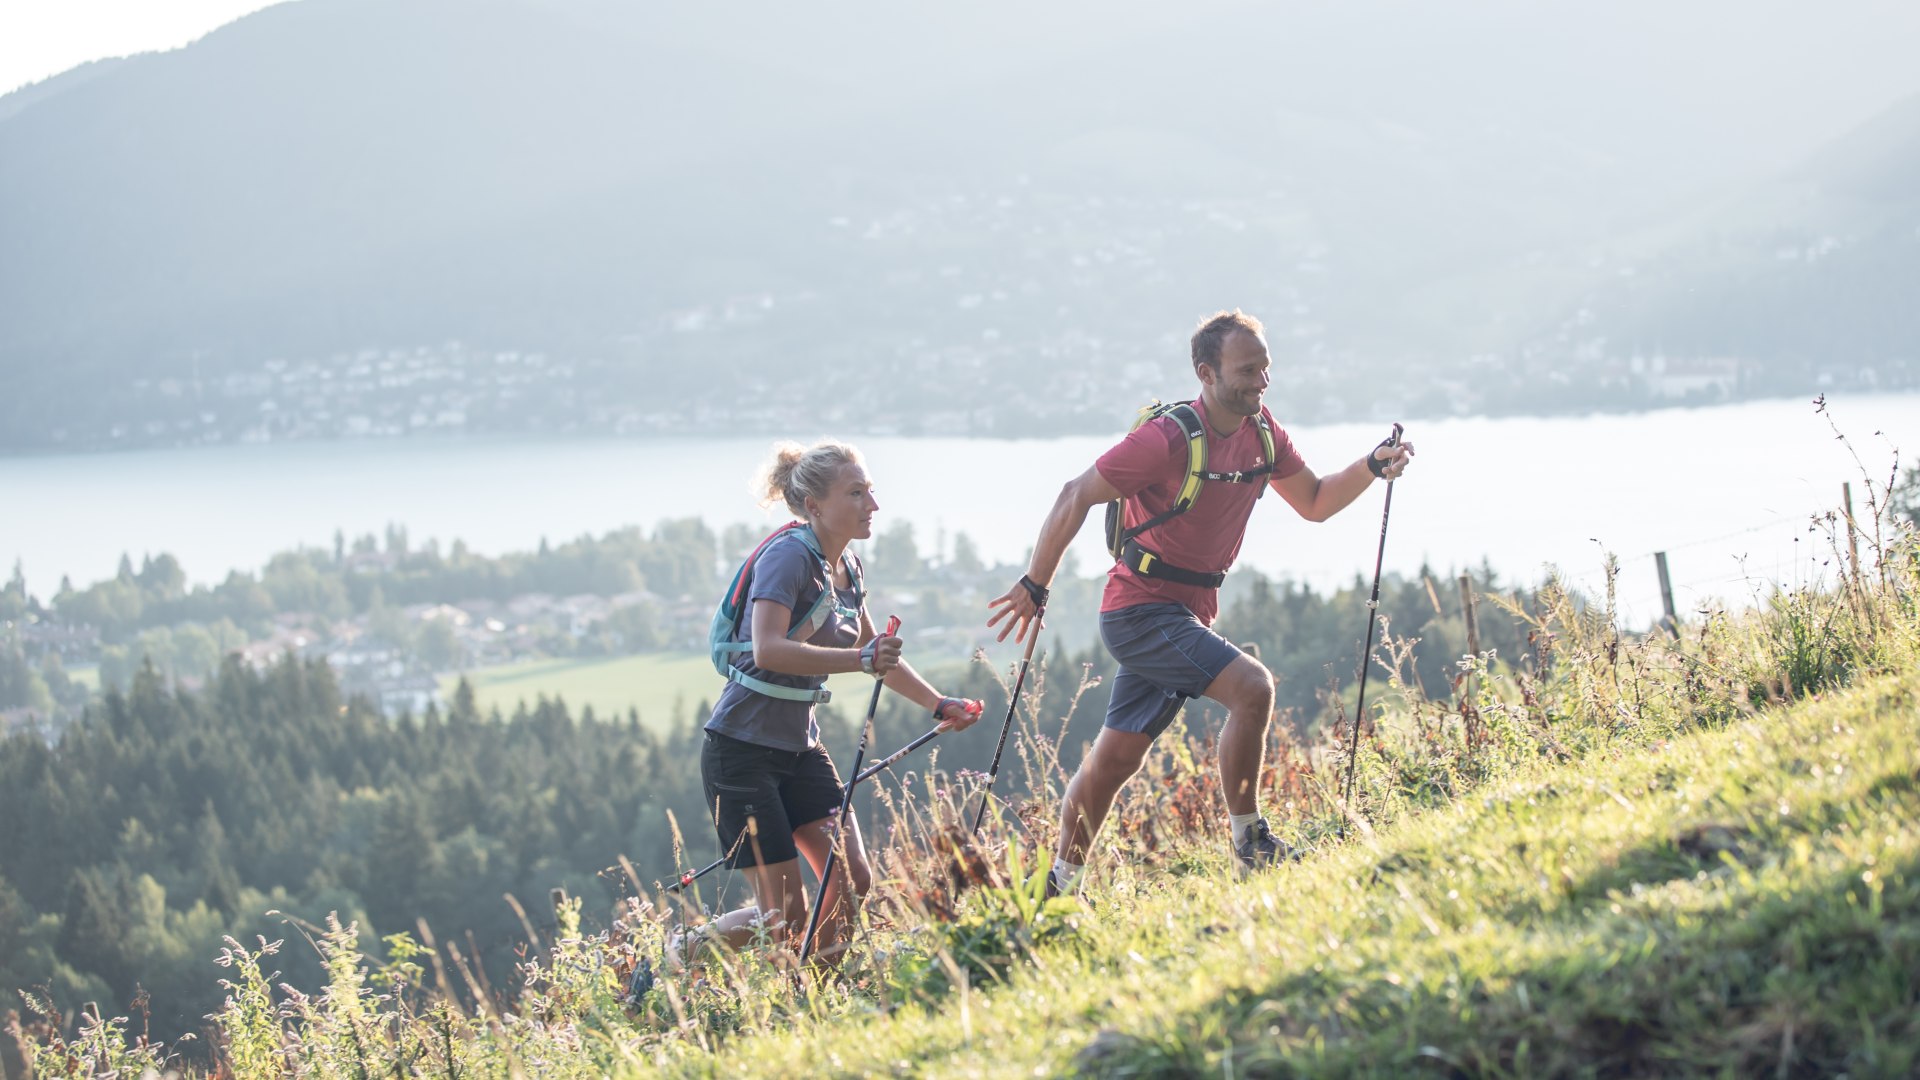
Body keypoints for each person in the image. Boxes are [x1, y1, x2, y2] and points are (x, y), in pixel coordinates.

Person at [987, 310, 1414, 896]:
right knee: (1253, 688)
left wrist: (1371, 467)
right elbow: (1074, 494)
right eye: (1248, 371)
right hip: (1138, 611)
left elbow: (1314, 501)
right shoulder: (1165, 439)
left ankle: (1060, 884)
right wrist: (1035, 584)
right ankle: (1250, 843)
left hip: (1185, 614)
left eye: (1266, 369)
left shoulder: (1263, 434)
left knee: (1115, 762)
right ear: (1205, 372)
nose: (1262, 382)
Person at [691, 439, 982, 966]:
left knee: (851, 880)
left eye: (870, 490)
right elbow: (768, 648)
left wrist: (940, 704)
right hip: (741, 751)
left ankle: (816, 1001)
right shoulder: (788, 557)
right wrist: (862, 661)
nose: (872, 504)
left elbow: (873, 653)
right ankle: (677, 954)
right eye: (857, 492)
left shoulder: (848, 566)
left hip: (799, 748)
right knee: (782, 917)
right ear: (816, 506)